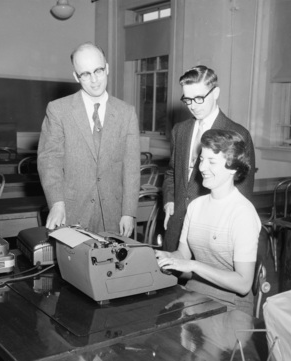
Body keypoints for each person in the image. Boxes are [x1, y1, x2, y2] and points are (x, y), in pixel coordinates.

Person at [37, 42, 141, 237]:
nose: (94, 80)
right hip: (71, 213)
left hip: (114, 215)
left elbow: (132, 167)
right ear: (76, 76)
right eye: (85, 74)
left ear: (107, 68)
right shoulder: (58, 110)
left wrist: (128, 212)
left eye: (98, 71)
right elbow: (49, 161)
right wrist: (57, 203)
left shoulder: (127, 113)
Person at [156, 129, 261, 316]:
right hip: (193, 296)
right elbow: (183, 254)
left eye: (211, 161)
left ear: (233, 168)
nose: (202, 168)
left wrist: (194, 266)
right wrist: (159, 256)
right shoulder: (195, 206)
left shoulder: (242, 213)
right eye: (201, 160)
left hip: (231, 306)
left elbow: (244, 284)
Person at [162, 65, 255, 252]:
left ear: (216, 93)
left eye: (199, 98)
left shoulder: (237, 134)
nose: (193, 106)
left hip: (212, 233)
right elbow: (172, 172)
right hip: (177, 224)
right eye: (187, 99)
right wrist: (169, 200)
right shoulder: (180, 130)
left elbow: (242, 191)